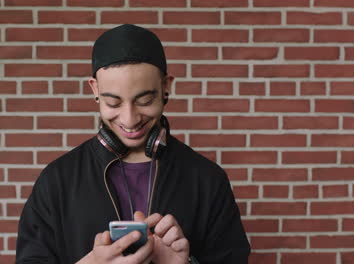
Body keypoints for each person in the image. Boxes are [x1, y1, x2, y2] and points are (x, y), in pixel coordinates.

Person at [16, 24, 250, 264]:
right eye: (114, 103)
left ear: (166, 87)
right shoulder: (56, 181)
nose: (130, 120)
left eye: (145, 100)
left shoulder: (208, 180)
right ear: (95, 89)